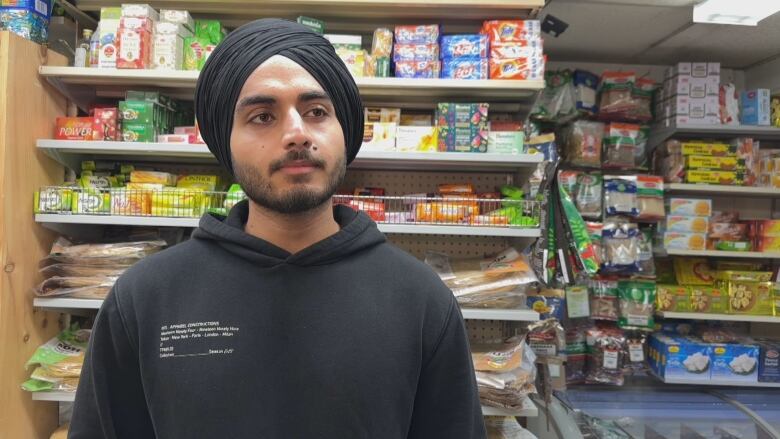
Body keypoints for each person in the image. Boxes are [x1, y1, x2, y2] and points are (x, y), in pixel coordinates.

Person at [69, 18, 486, 439]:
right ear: (224, 141)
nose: (296, 133)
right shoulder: (144, 298)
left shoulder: (421, 300)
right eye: (263, 116)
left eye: (317, 112)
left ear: (346, 131)